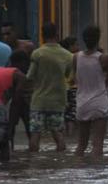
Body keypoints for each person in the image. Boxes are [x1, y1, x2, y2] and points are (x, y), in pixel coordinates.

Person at [27, 23, 74, 153]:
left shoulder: (37, 54)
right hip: (58, 101)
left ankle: (33, 165)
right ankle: (59, 164)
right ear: (57, 35)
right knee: (58, 135)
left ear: (42, 36)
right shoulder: (68, 56)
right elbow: (70, 77)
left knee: (35, 134)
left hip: (39, 101)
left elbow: (30, 76)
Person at [73, 25, 108, 157]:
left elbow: (76, 77)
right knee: (97, 145)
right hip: (99, 103)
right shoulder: (104, 58)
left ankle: (78, 171)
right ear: (98, 39)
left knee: (81, 145)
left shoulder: (76, 57)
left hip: (82, 103)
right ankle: (96, 174)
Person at [60, 36, 80, 136]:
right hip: (73, 88)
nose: (78, 47)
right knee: (72, 115)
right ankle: (71, 136)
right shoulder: (75, 57)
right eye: (76, 45)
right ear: (70, 46)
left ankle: (65, 137)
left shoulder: (61, 57)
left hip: (62, 89)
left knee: (63, 115)